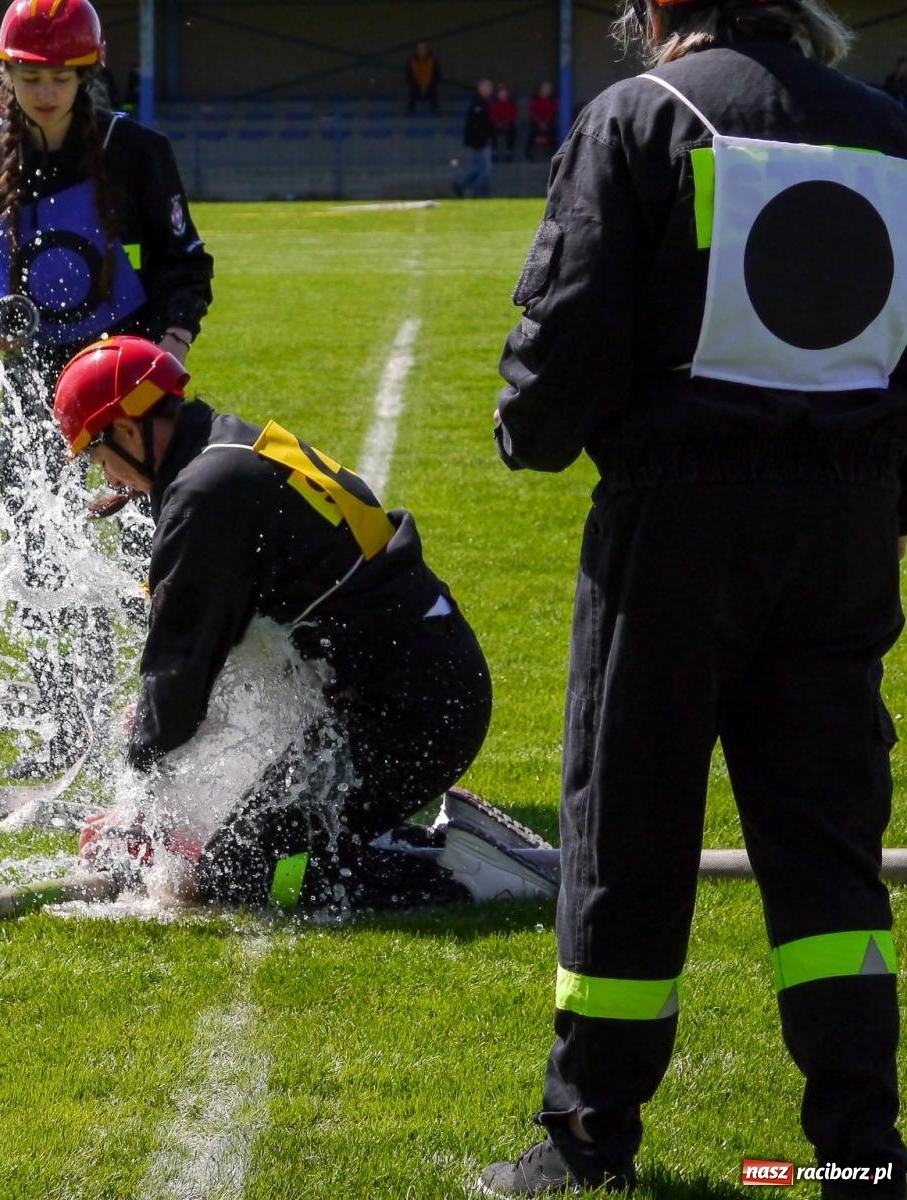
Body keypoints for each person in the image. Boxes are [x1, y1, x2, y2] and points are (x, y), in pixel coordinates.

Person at [481, 0, 907, 1194]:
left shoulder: (641, 115)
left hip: (678, 522)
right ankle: (859, 1150)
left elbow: (572, 327)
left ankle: (589, 1140)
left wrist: (529, 427)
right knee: (829, 840)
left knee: (629, 823)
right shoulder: (887, 132)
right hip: (844, 525)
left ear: (658, 11)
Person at [48, 338, 554, 909]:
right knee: (260, 839)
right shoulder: (222, 447)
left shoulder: (202, 497)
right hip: (417, 687)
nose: (107, 475)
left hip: (413, 713)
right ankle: (455, 843)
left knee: (241, 877)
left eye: (97, 455)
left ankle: (466, 876)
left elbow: (178, 680)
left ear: (127, 428)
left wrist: (133, 801)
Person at [0, 0, 214, 778]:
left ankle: (171, 722)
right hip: (31, 393)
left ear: (87, 73)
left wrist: (169, 350)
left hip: (131, 395)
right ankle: (66, 721)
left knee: (162, 547)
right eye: (31, 76)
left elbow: (184, 262)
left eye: (63, 76)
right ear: (6, 74)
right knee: (38, 551)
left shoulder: (137, 151)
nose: (47, 91)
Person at [453, 78, 493, 197]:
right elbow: (477, 125)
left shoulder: (482, 102)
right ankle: (481, 193)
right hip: (480, 141)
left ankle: (461, 185)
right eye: (486, 87)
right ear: (480, 88)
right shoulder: (478, 103)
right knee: (485, 169)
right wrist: (483, 138)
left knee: (479, 168)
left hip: (480, 140)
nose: (489, 90)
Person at [405, 41, 441, 115]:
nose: (421, 51)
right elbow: (409, 75)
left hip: (430, 85)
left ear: (426, 50)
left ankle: (436, 109)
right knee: (412, 91)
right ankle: (409, 110)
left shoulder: (434, 60)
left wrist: (426, 85)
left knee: (433, 92)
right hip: (416, 85)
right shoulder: (411, 61)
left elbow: (437, 75)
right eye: (419, 49)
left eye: (423, 48)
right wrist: (419, 85)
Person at [524, 80, 557, 160]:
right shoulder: (534, 99)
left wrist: (546, 122)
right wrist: (539, 122)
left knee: (554, 132)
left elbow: (552, 113)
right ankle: (528, 155)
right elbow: (533, 112)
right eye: (545, 88)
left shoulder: (552, 100)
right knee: (532, 131)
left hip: (548, 123)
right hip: (536, 122)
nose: (547, 90)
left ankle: (555, 155)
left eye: (549, 89)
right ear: (540, 89)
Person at [489, 81, 518, 161]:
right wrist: (498, 123)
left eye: (504, 92)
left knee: (513, 129)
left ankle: (509, 151)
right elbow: (492, 115)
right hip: (497, 124)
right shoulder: (494, 103)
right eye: (500, 92)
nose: (502, 94)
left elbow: (513, 114)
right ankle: (494, 151)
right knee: (491, 128)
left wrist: (506, 122)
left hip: (507, 123)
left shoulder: (511, 103)